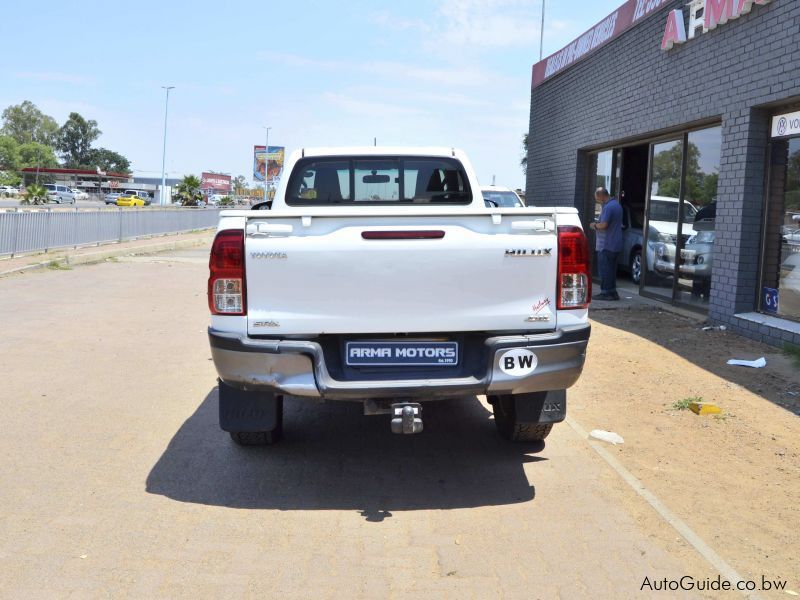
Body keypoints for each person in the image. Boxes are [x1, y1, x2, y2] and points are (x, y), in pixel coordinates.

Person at [589, 187, 623, 301]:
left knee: (605, 270)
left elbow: (604, 225)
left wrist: (594, 225)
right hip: (616, 243)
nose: (598, 201)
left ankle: (606, 293)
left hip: (606, 244)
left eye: (598, 199)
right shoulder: (617, 205)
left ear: (601, 195)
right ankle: (613, 292)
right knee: (611, 270)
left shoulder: (609, 207)